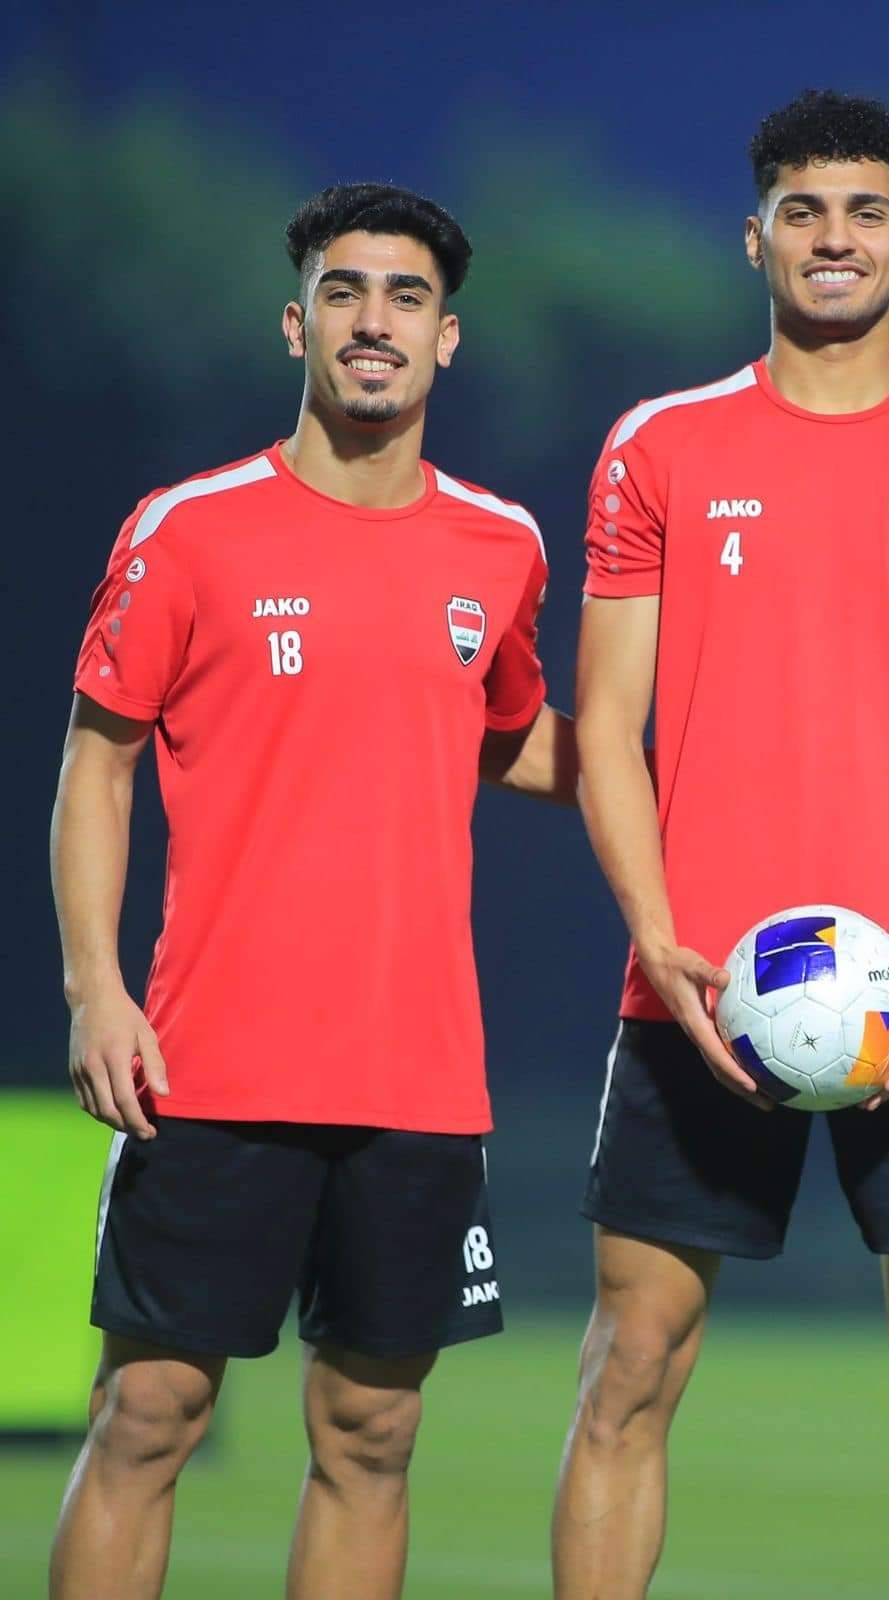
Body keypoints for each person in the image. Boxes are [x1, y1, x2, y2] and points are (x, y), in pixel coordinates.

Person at [556, 90, 889, 1600]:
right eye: (803, 211)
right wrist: (657, 937)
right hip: (700, 982)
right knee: (630, 1365)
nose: (833, 238)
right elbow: (606, 728)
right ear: (757, 238)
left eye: (863, 212)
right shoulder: (659, 446)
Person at [49, 181, 575, 1600]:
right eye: (344, 292)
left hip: (416, 1073)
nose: (373, 322)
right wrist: (97, 990)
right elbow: (97, 764)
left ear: (447, 338)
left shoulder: (502, 545)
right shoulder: (189, 530)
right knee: (147, 1415)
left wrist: (686, 781)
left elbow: (511, 737)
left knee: (372, 1435)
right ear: (298, 324)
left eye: (407, 297)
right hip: (210, 1061)